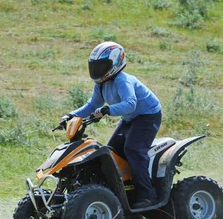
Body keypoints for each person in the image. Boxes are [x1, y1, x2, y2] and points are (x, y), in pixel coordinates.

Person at [61, 41, 162, 209]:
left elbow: (131, 104)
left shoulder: (122, 81)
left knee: (133, 149)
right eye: (94, 66)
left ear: (115, 63)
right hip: (130, 119)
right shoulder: (101, 85)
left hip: (147, 116)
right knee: (111, 153)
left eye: (101, 66)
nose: (96, 70)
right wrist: (71, 115)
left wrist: (107, 110)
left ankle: (147, 194)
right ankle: (122, 190)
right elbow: (92, 105)